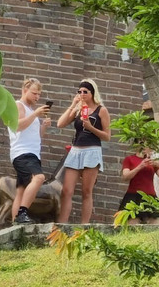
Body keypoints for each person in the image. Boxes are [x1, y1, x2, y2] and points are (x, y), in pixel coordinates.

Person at [56, 78, 111, 223]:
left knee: (86, 191)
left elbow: (107, 136)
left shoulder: (101, 110)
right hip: (76, 151)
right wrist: (73, 105)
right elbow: (60, 124)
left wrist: (91, 128)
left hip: (91, 151)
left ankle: (83, 226)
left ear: (92, 93)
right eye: (79, 91)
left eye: (85, 92)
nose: (82, 94)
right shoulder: (78, 109)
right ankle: (61, 224)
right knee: (66, 190)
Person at [7, 78, 52, 224]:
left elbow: (35, 135)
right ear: (25, 90)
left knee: (21, 190)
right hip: (23, 153)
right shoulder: (18, 105)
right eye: (34, 93)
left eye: (39, 94)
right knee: (39, 178)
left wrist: (43, 126)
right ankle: (22, 213)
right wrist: (35, 115)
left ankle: (15, 222)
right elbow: (17, 126)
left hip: (32, 152)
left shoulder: (31, 110)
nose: (37, 97)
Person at [119, 145, 159, 224]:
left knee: (155, 224)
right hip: (134, 196)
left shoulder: (151, 161)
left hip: (150, 197)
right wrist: (140, 166)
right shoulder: (129, 159)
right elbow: (125, 176)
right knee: (132, 224)